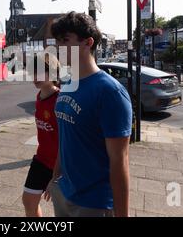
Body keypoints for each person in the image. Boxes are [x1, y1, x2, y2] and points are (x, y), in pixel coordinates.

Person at [44, 12, 132, 217]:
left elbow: (119, 161)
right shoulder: (67, 84)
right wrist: (55, 178)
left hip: (94, 203)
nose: (58, 47)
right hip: (64, 191)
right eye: (57, 41)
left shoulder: (110, 93)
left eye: (65, 40)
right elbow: (65, 139)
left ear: (87, 42)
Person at [22, 53, 60, 217]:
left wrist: (56, 176)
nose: (34, 76)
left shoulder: (60, 100)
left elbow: (66, 142)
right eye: (32, 71)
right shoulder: (39, 97)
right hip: (41, 160)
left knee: (63, 210)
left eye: (39, 71)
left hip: (61, 166)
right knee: (28, 201)